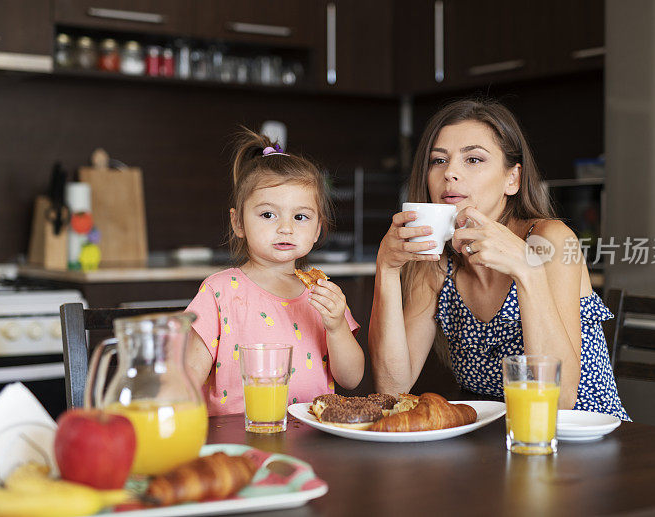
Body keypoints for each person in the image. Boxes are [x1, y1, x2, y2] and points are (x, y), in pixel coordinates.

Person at [369, 99, 629, 420]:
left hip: (583, 440)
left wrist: (527, 271)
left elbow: (559, 400)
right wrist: (387, 268)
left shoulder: (550, 240)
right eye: (438, 161)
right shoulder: (437, 261)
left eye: (474, 159)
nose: (450, 173)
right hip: (500, 443)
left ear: (512, 180)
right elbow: (392, 387)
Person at [185, 128, 364, 415]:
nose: (285, 228)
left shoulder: (322, 295)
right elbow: (186, 380)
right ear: (238, 222)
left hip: (312, 437)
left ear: (317, 229)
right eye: (268, 214)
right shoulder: (218, 292)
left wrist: (337, 327)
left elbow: (352, 379)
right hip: (238, 438)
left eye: (300, 216)